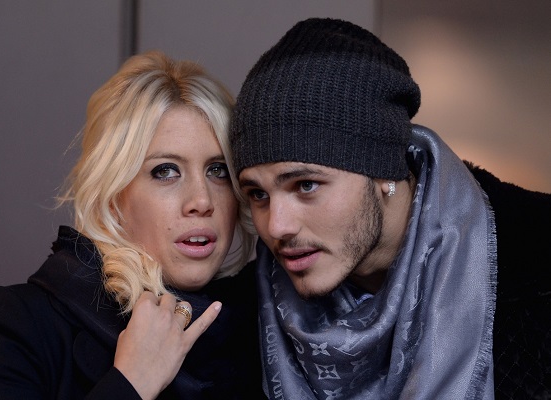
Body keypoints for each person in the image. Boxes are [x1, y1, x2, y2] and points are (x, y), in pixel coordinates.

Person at [230, 17, 551, 399]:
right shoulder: (239, 313)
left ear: (383, 170)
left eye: (306, 185)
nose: (276, 227)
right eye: (258, 194)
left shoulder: (537, 262)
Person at [0, 50, 265, 399]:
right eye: (165, 171)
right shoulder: (13, 325)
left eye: (218, 170)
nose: (202, 201)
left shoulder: (267, 330)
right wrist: (132, 381)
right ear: (113, 195)